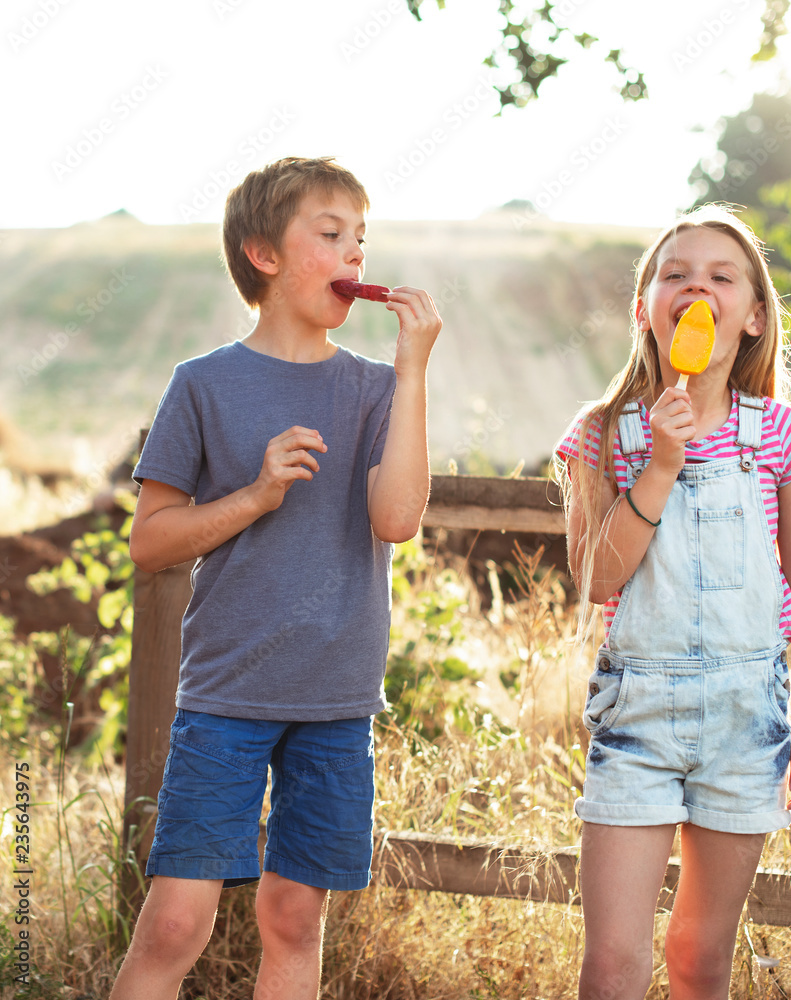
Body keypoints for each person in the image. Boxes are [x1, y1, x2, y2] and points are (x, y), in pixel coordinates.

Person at [109, 156, 442, 1000]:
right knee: (178, 922)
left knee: (295, 919)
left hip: (335, 700)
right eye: (330, 236)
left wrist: (412, 372)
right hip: (226, 698)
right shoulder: (203, 384)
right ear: (263, 254)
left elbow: (396, 520)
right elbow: (151, 544)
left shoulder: (374, 388)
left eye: (360, 240)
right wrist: (255, 495)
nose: (353, 257)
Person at [556, 204, 791, 1000]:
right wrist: (661, 464)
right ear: (645, 306)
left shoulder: (780, 436)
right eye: (673, 274)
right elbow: (599, 581)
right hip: (637, 715)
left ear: (751, 316)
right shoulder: (605, 433)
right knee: (612, 963)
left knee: (700, 958)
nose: (695, 287)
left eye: (719, 276)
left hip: (747, 719)